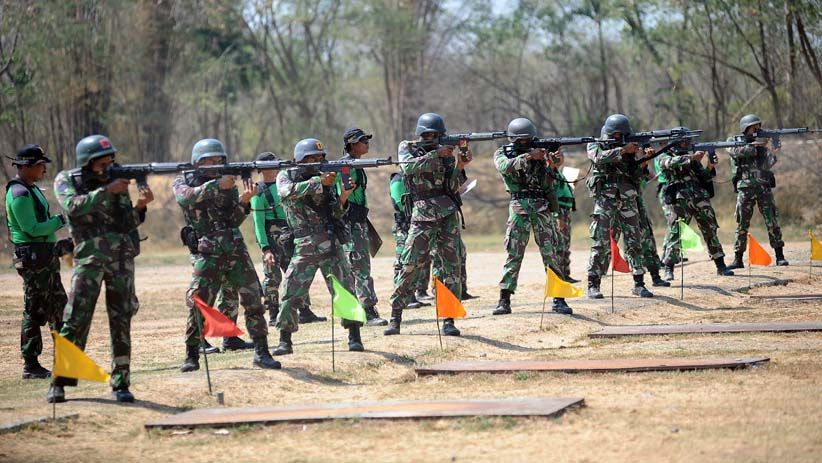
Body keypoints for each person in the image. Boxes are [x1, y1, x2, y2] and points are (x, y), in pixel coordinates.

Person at [49, 135, 153, 403]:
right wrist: (107, 191)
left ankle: (121, 382)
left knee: (121, 321)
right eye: (101, 163)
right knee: (75, 319)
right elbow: (72, 207)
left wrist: (140, 206)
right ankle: (60, 381)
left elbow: (126, 222)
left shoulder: (116, 181)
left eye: (110, 161)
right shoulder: (67, 180)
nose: (107, 166)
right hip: (89, 261)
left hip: (121, 261)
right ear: (87, 162)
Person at [174, 138, 281, 373]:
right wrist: (216, 185)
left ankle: (262, 352)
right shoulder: (183, 180)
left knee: (254, 300)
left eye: (219, 160)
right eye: (209, 160)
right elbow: (185, 197)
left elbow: (233, 220)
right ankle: (192, 354)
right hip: (207, 250)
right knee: (199, 302)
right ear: (198, 162)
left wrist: (244, 202)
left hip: (235, 248)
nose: (215, 164)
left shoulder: (228, 183)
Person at [272, 138, 365, 355]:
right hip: (304, 245)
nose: (317, 161)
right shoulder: (286, 175)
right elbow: (286, 192)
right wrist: (318, 182)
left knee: (345, 290)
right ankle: (285, 341)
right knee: (291, 292)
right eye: (312, 158)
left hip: (330, 242)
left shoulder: (326, 178)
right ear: (300, 159)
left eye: (320, 158)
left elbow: (335, 212)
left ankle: (354, 336)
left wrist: (343, 196)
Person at [384, 113, 470, 336]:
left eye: (437, 135)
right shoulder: (408, 147)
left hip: (447, 213)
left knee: (451, 267)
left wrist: (460, 165)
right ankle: (395, 316)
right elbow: (408, 168)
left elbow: (452, 186)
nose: (433, 138)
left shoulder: (446, 153)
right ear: (421, 135)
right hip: (422, 214)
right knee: (410, 264)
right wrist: (435, 155)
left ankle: (449, 319)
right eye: (429, 135)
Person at [492, 117, 572, 316]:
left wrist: (553, 165)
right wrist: (529, 156)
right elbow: (504, 167)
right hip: (519, 207)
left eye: (529, 140)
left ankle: (559, 298)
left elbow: (549, 182)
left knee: (551, 254)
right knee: (514, 254)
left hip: (542, 208)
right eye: (522, 140)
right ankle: (504, 299)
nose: (526, 143)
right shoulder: (503, 153)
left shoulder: (541, 154)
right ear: (514, 140)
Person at [5, 144, 68, 379]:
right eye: (41, 165)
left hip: (45, 255)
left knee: (59, 305)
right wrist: (60, 220)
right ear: (27, 166)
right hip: (33, 258)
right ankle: (31, 365)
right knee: (34, 309)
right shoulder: (19, 193)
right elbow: (31, 228)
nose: (44, 169)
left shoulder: (31, 189)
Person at [249, 152, 322, 328]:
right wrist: (265, 249)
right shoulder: (258, 192)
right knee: (272, 278)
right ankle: (274, 313)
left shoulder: (285, 184)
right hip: (272, 241)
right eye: (272, 165)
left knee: (298, 274)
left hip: (290, 237)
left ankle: (304, 311)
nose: (277, 167)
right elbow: (258, 224)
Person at [585, 114, 654, 299]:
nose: (618, 137)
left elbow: (639, 175)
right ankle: (593, 284)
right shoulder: (595, 144)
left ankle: (639, 283)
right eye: (615, 134)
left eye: (621, 134)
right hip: (605, 200)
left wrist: (645, 160)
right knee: (601, 242)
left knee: (634, 241)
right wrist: (623, 150)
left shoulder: (632, 147)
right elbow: (598, 158)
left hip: (628, 199)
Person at [657, 128, 735, 278]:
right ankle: (668, 268)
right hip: (680, 200)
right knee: (676, 233)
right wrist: (692, 158)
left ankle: (721, 266)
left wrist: (710, 166)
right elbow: (668, 163)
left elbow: (704, 177)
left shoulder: (692, 157)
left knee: (710, 231)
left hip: (700, 198)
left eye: (688, 141)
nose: (687, 144)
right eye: (684, 141)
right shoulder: (665, 155)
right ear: (676, 142)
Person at [335, 128, 387, 326]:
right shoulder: (346, 167)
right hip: (350, 222)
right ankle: (367, 311)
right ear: (351, 145)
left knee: (358, 266)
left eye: (366, 140)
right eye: (362, 140)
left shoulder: (355, 165)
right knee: (359, 267)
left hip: (358, 220)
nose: (367, 143)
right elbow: (341, 199)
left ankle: (358, 311)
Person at [727, 114, 788, 268]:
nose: (758, 130)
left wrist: (772, 151)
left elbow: (767, 165)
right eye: (754, 128)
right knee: (742, 224)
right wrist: (755, 145)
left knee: (772, 221)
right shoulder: (734, 141)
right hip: (745, 187)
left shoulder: (762, 145)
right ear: (745, 128)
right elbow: (735, 152)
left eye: (759, 127)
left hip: (763, 186)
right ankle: (738, 259)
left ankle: (780, 256)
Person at [389, 172, 429, 310]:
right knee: (402, 261)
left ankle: (411, 296)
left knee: (416, 262)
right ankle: (401, 298)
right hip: (404, 226)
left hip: (415, 224)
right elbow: (399, 203)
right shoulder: (398, 179)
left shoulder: (415, 178)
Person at [552, 150, 577, 284]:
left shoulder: (560, 173)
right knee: (560, 245)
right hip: (559, 212)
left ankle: (566, 274)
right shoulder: (552, 173)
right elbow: (552, 196)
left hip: (565, 212)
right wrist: (558, 217)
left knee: (565, 245)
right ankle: (559, 276)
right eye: (558, 156)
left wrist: (571, 186)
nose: (561, 157)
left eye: (562, 155)